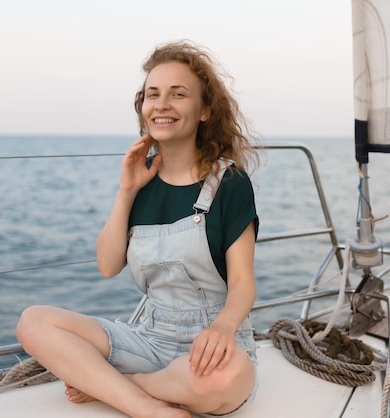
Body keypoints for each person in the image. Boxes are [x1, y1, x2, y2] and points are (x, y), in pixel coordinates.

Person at [16, 40, 261, 418]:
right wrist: (127, 190)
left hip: (212, 343)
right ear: (143, 107)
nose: (161, 104)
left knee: (221, 379)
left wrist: (224, 328)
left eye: (178, 94)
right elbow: (107, 265)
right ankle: (149, 407)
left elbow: (243, 281)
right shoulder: (140, 180)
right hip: (147, 337)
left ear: (205, 110)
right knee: (34, 321)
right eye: (152, 94)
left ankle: (124, 387)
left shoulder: (229, 181)